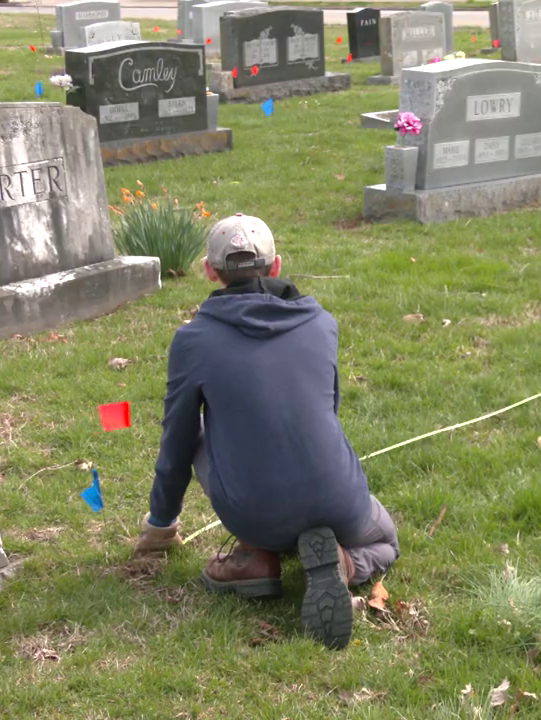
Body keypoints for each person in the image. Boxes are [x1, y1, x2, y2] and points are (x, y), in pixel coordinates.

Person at [133, 213, 399, 651]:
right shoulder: (322, 323)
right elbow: (327, 409)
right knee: (386, 540)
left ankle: (257, 557)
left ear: (210, 271)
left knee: (201, 426)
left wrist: (161, 525)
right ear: (276, 267)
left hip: (253, 515)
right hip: (339, 499)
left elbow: (177, 441)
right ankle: (347, 563)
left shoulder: (193, 341)